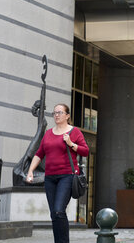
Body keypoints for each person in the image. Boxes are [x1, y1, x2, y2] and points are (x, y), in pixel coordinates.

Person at [26, 104, 89, 243]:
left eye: (60, 112)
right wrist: (30, 171)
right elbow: (39, 154)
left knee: (59, 210)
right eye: (54, 113)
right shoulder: (48, 133)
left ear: (67, 116)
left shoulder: (74, 132)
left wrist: (71, 143)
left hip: (67, 175)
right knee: (54, 214)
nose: (56, 115)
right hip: (50, 178)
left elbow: (85, 151)